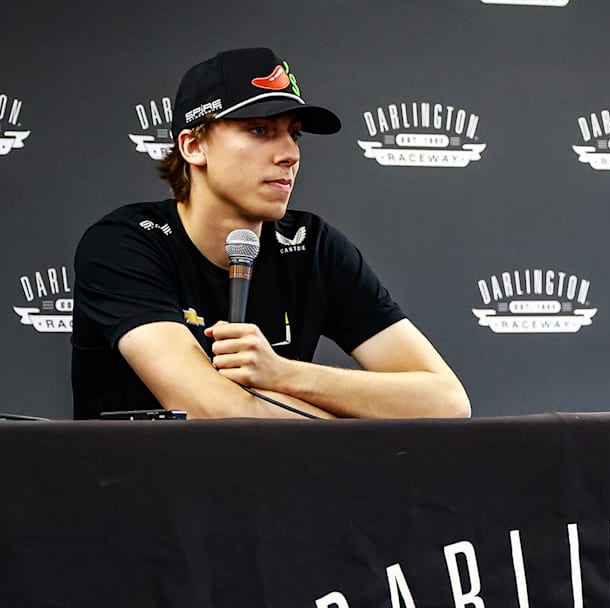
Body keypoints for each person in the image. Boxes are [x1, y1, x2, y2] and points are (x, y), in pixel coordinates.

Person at [71, 48, 470, 420]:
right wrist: (354, 424)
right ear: (194, 146)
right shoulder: (125, 244)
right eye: (260, 130)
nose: (290, 154)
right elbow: (211, 410)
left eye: (294, 133)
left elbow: (446, 402)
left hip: (279, 487)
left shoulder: (312, 245)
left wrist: (282, 374)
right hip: (136, 490)